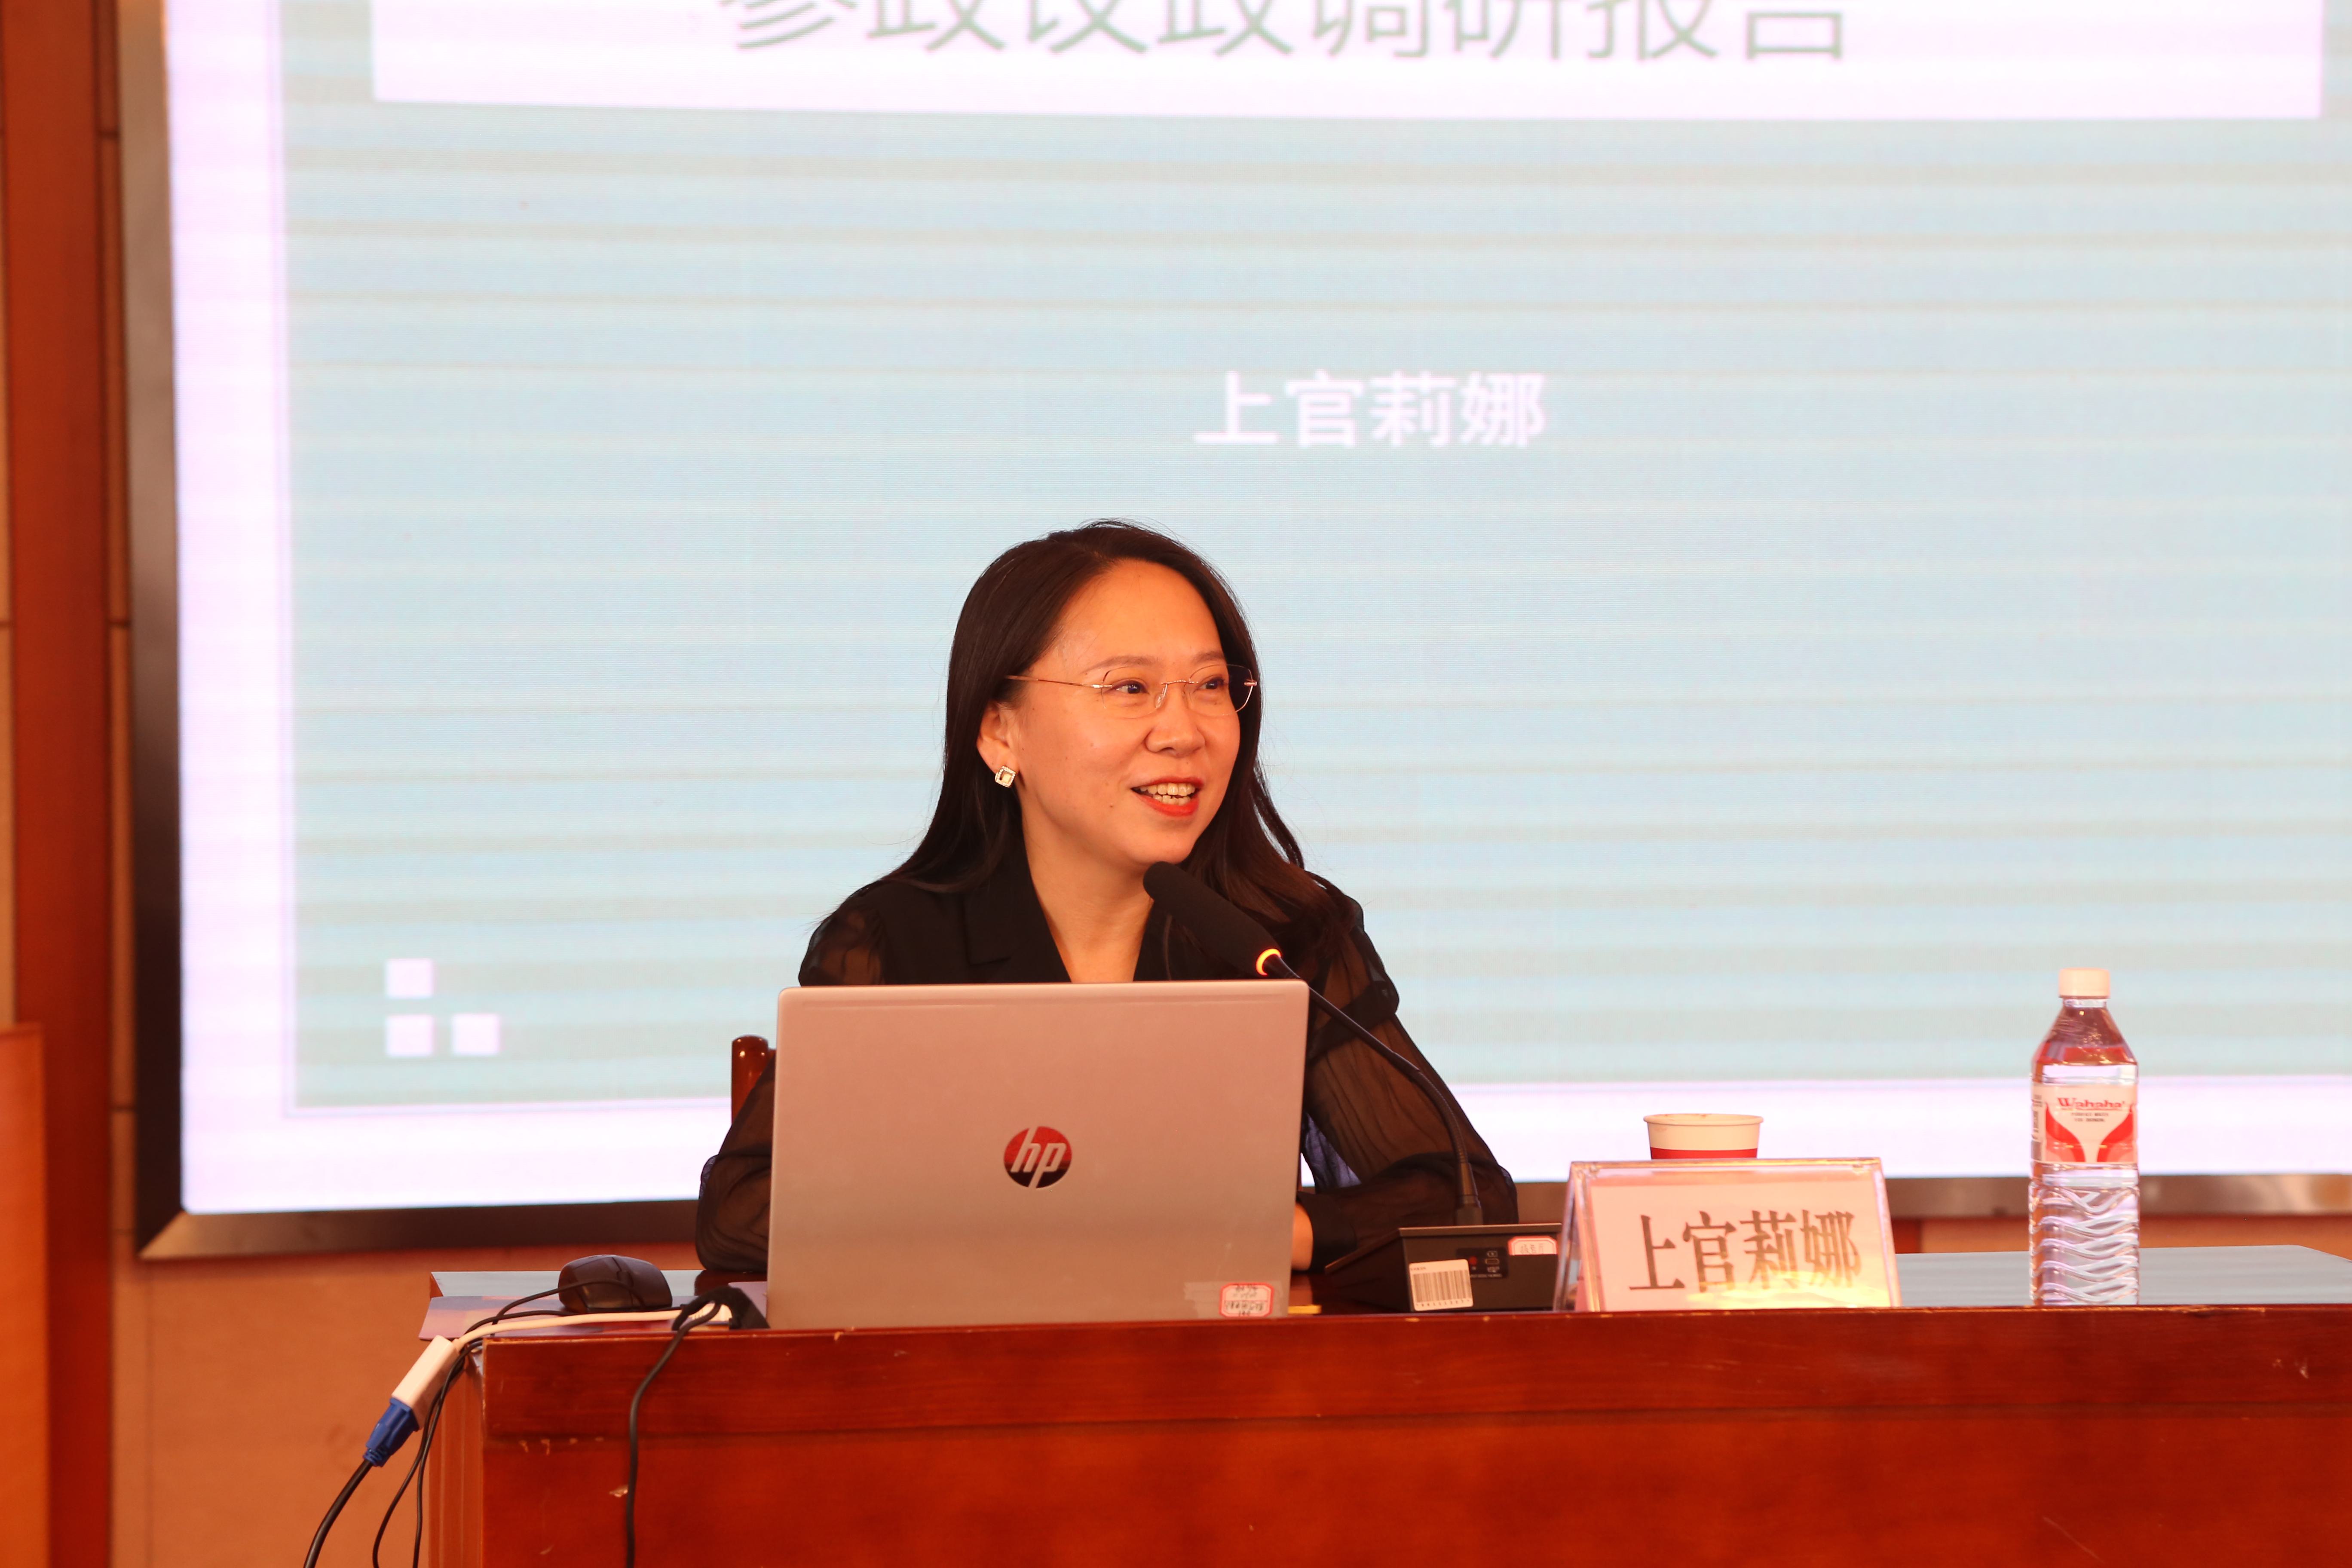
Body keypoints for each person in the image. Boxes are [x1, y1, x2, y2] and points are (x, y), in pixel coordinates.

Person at [696, 521, 1516, 1274]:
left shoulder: (1279, 937)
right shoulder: (896, 942)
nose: (1184, 731)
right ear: (1000, 730)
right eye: (1128, 688)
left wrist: (1254, 1235)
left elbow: (1464, 1196)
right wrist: (1075, 1230)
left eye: (1210, 685)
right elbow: (744, 1213)